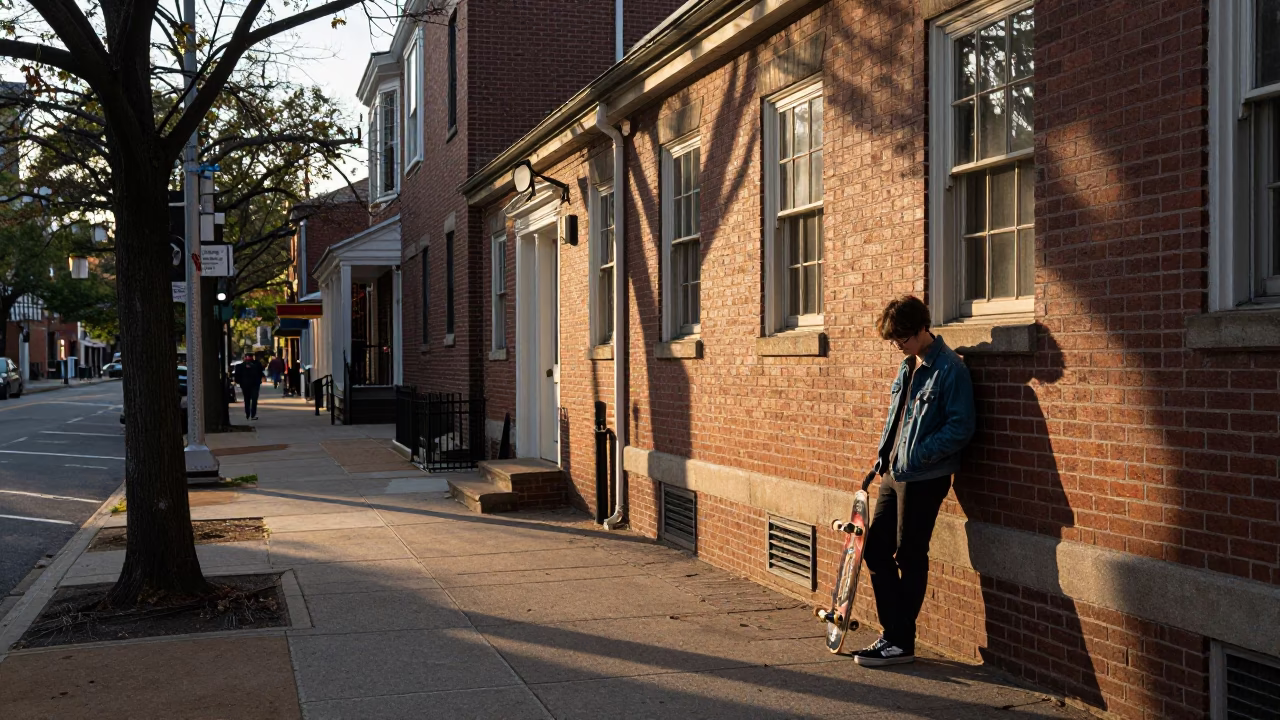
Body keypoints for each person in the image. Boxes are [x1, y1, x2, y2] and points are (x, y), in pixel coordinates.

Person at [854, 295, 975, 667]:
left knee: (909, 554)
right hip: (894, 474)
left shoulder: (950, 370)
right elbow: (897, 421)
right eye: (893, 340)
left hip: (925, 477)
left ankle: (898, 639)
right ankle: (896, 634)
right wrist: (881, 461)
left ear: (923, 328)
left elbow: (961, 427)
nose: (898, 346)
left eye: (902, 338)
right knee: (875, 550)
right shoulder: (908, 367)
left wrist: (917, 455)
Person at [234, 353, 265, 420]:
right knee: (253, 400)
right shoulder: (256, 364)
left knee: (247, 399)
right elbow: (261, 372)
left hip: (247, 385)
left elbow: (237, 377)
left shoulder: (240, 366)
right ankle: (251, 414)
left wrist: (240, 383)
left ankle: (248, 413)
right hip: (254, 385)